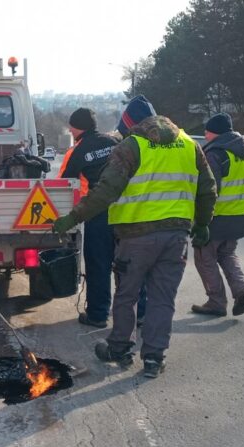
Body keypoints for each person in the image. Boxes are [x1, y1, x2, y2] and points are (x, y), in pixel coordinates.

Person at [53, 95, 217, 378]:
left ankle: (120, 348)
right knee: (162, 298)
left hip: (136, 236)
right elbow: (207, 189)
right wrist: (202, 225)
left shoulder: (131, 146)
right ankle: (154, 358)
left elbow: (105, 191)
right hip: (176, 235)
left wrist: (72, 217)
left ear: (130, 124)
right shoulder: (190, 145)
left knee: (127, 293)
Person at [57, 108, 119, 328]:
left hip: (98, 212)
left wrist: (67, 219)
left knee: (98, 264)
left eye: (71, 126)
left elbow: (63, 183)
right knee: (128, 265)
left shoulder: (78, 151)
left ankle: (98, 314)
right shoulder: (115, 143)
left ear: (76, 127)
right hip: (127, 211)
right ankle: (135, 314)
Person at [191, 113, 244, 317]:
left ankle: (216, 302)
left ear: (215, 132)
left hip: (216, 216)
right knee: (227, 254)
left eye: (207, 131)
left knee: (204, 258)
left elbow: (210, 190)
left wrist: (200, 219)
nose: (205, 135)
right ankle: (241, 290)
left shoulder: (215, 154)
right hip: (240, 214)